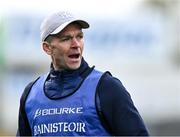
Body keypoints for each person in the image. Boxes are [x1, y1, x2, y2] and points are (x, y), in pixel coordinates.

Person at [17, 11, 149, 136]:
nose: (76, 44)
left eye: (79, 36)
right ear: (47, 48)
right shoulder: (31, 95)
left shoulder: (106, 87)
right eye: (66, 39)